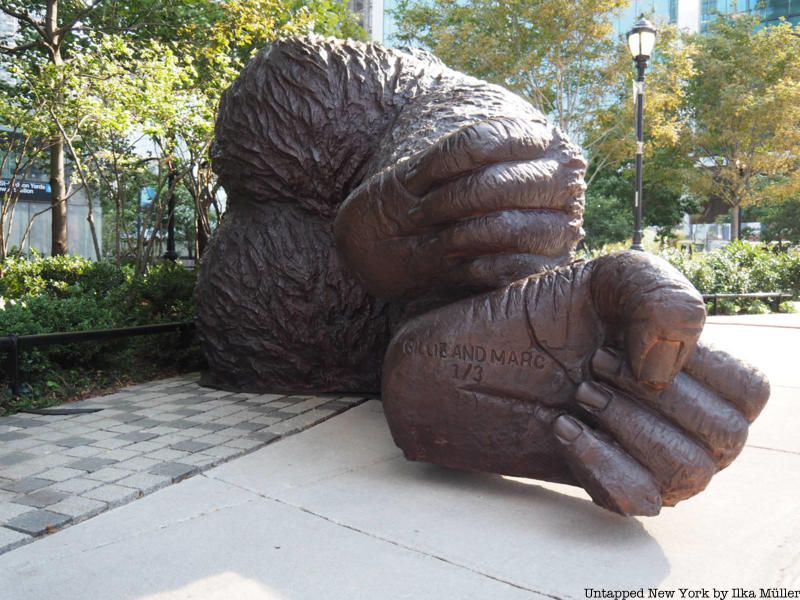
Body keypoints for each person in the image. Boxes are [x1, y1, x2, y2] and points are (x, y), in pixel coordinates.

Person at [197, 36, 769, 515]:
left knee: (311, 91)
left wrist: (453, 195)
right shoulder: (317, 95)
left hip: (399, 329)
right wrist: (436, 210)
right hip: (294, 359)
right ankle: (468, 318)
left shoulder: (377, 86)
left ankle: (471, 330)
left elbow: (458, 111)